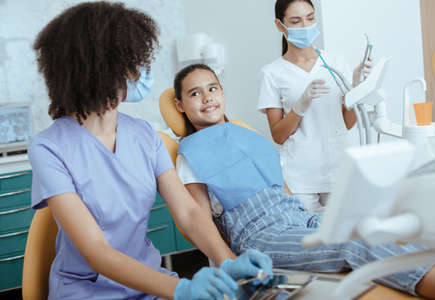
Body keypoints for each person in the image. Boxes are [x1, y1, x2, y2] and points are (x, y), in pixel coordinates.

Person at [29, 2, 272, 300]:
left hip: (150, 282)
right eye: (132, 62)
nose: (141, 71)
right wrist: (181, 289)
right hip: (87, 291)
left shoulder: (144, 135)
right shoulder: (49, 148)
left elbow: (188, 212)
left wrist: (229, 262)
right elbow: (95, 251)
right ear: (97, 69)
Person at [173, 63, 435, 299]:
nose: (206, 98)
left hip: (295, 215)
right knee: (352, 242)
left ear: (222, 92)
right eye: (194, 93)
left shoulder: (246, 136)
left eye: (212, 88)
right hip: (262, 234)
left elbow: (281, 187)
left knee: (381, 224)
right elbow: (199, 217)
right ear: (180, 105)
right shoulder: (190, 153)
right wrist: (229, 263)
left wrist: (311, 219)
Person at [257, 0, 372, 212]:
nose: (306, 26)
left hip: (338, 170)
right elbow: (278, 135)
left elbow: (346, 123)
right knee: (306, 240)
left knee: (347, 237)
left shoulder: (335, 63)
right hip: (299, 178)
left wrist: (358, 88)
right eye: (296, 21)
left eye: (310, 18)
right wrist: (300, 106)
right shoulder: (272, 74)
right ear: (279, 25)